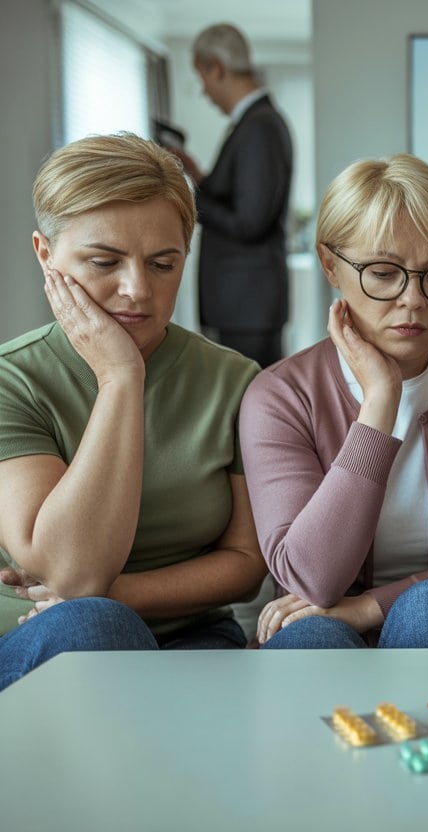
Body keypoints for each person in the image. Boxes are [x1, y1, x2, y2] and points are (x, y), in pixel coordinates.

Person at [239, 154, 428, 649]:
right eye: (383, 272)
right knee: (313, 634)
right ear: (330, 265)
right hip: (318, 629)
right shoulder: (280, 396)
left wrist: (370, 608)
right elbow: (311, 581)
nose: (413, 299)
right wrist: (380, 403)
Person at [0, 133, 266, 691]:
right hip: (42, 640)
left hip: (191, 642)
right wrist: (121, 377)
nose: (137, 290)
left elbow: (246, 564)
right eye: (105, 261)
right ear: (45, 255)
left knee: (101, 617)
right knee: (90, 626)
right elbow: (71, 573)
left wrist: (118, 595)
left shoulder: (236, 382)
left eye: (163, 264)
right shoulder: (11, 381)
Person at [170, 22, 292, 368]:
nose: (205, 92)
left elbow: (249, 222)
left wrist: (188, 197)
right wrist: (198, 177)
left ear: (216, 68)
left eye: (202, 78)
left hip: (247, 306)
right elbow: (243, 200)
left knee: (249, 400)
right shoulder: (254, 123)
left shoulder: (260, 126)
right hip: (243, 305)